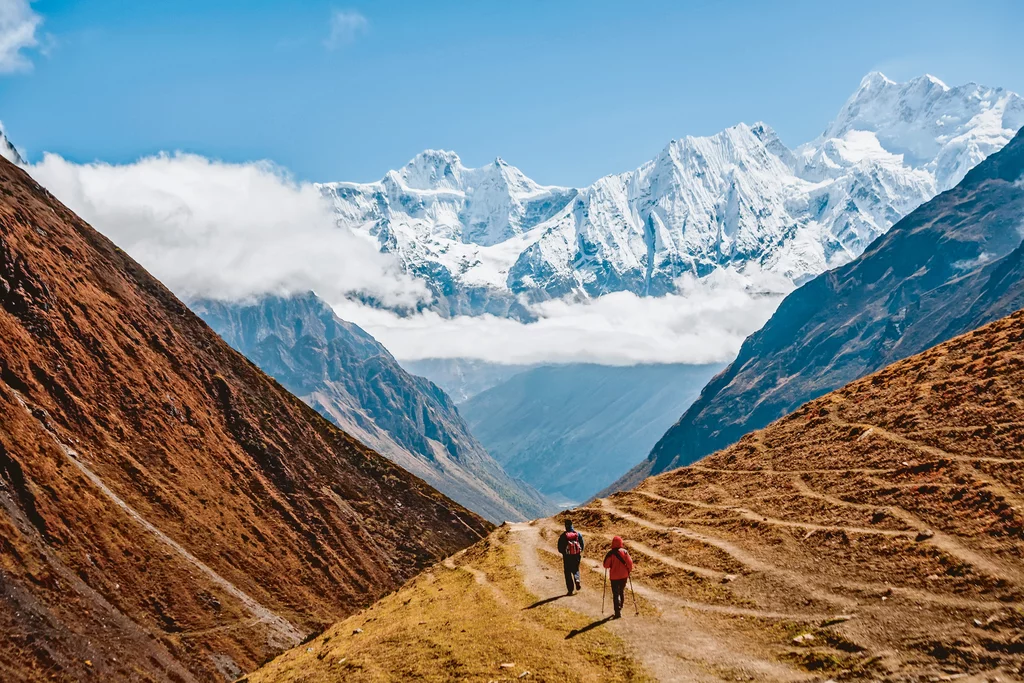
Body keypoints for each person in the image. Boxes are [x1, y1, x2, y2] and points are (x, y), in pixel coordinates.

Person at [602, 536, 633, 618]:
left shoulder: (610, 553)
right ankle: (621, 605)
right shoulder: (625, 552)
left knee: (616, 594)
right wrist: (628, 571)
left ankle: (617, 611)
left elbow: (605, 565)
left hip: (614, 577)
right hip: (624, 576)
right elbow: (630, 563)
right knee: (621, 590)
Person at [557, 519, 584, 595]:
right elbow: (582, 545)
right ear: (572, 525)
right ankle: (577, 579)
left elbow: (559, 548)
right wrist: (578, 552)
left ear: (565, 526)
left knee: (567, 572)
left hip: (567, 557)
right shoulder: (578, 535)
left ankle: (570, 590)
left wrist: (564, 553)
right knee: (575, 569)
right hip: (576, 556)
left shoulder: (563, 536)